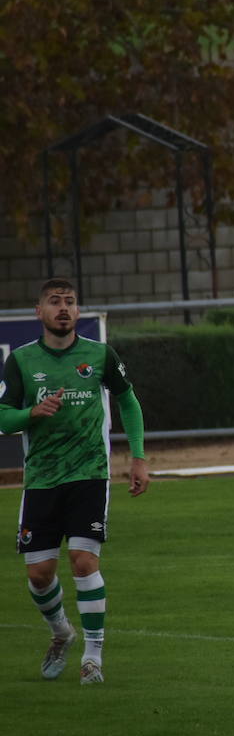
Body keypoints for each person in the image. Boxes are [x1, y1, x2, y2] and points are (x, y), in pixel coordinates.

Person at [0, 278, 149, 685]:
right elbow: (3, 418)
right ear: (39, 311)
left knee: (84, 561)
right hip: (42, 479)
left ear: (78, 311)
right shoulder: (22, 361)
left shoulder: (99, 355)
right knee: (39, 574)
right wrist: (32, 413)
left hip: (89, 474)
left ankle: (93, 658)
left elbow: (128, 400)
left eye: (69, 301)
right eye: (54, 301)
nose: (63, 308)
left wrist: (138, 457)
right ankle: (62, 632)